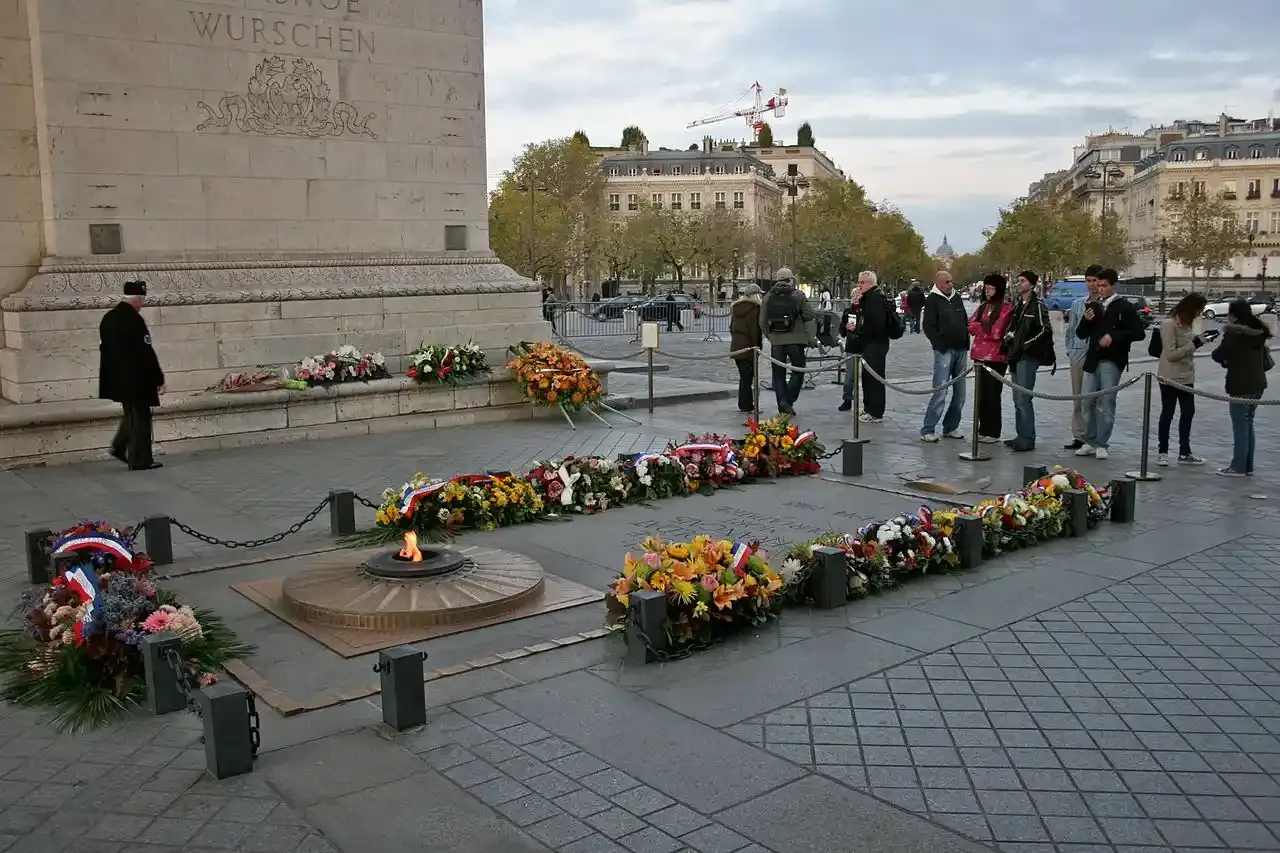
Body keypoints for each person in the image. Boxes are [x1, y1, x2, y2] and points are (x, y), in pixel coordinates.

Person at [1074, 268, 1145, 460]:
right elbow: (1081, 333)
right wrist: (1086, 321)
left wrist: (1113, 336)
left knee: (1106, 401)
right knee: (1087, 400)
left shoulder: (1124, 307)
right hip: (1092, 359)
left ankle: (1101, 443)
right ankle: (1089, 440)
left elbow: (1139, 333)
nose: (1100, 289)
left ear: (1114, 285)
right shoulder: (1094, 305)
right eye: (1098, 285)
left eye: (1104, 285)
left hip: (1112, 359)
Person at [99, 280, 165, 470]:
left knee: (131, 414)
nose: (142, 305)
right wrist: (159, 378)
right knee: (141, 418)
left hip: (118, 378)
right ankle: (140, 460)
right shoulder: (134, 320)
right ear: (137, 300)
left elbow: (105, 349)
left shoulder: (109, 318)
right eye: (142, 301)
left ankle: (120, 446)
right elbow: (146, 351)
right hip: (137, 378)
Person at [1211, 299, 1271, 476]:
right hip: (1257, 383)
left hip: (1241, 384)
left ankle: (1238, 466)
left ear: (1234, 315)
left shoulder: (1234, 333)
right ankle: (1247, 466)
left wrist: (1226, 360)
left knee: (1240, 425)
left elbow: (1218, 354)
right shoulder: (1258, 332)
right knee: (1248, 423)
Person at [1155, 293, 1210, 466]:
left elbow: (1187, 348)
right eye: (1198, 310)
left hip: (1186, 376)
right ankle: (1163, 451)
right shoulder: (1169, 324)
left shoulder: (1188, 324)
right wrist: (1194, 344)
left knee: (1188, 412)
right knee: (1168, 413)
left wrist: (1200, 340)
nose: (1199, 314)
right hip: (1170, 376)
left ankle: (1185, 452)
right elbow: (1171, 354)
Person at [1003, 270, 1054, 452]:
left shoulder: (1037, 305)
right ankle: (1021, 435)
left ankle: (1027, 438)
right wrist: (1009, 338)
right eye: (1019, 281)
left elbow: (1045, 329)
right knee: (1017, 398)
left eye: (1023, 281)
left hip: (1027, 355)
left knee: (1024, 398)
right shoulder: (1018, 305)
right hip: (1015, 354)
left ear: (1032, 284)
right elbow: (1014, 326)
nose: (1019, 284)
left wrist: (1026, 345)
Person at [920, 269, 970, 442]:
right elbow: (928, 326)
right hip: (944, 350)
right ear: (939, 283)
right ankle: (928, 429)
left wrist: (966, 341)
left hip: (960, 349)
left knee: (960, 394)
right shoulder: (932, 300)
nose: (951, 284)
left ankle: (951, 427)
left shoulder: (956, 297)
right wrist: (939, 345)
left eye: (951, 281)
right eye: (947, 282)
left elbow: (964, 319)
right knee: (940, 391)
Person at [838, 270, 894, 422]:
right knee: (867, 377)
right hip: (868, 343)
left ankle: (875, 412)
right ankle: (869, 408)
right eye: (859, 282)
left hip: (875, 343)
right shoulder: (868, 298)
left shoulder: (875, 299)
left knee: (874, 378)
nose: (859, 285)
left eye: (862, 282)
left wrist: (861, 329)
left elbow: (875, 323)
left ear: (870, 283)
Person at [759, 267, 816, 415]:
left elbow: (762, 321)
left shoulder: (768, 297)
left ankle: (782, 404)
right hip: (796, 339)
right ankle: (788, 400)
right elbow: (809, 314)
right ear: (791, 279)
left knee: (778, 373)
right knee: (798, 370)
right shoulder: (798, 295)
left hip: (776, 340)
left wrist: (770, 336)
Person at [967, 274, 1013, 443]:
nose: (987, 291)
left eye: (991, 289)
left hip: (996, 357)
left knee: (992, 394)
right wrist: (982, 328)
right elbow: (970, 325)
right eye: (986, 288)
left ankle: (993, 431)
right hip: (979, 356)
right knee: (981, 395)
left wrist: (981, 329)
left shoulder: (1007, 309)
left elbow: (997, 331)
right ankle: (983, 428)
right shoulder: (982, 307)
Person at [1062, 266, 1101, 449]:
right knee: (1078, 396)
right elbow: (1071, 330)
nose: (1091, 284)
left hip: (1098, 354)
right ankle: (1079, 435)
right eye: (1088, 280)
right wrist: (1071, 350)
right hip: (1078, 353)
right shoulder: (1078, 304)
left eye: (1095, 281)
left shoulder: (1106, 303)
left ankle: (1095, 435)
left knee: (1095, 398)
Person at [729, 284, 763, 414]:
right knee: (747, 378)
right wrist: (757, 348)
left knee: (744, 377)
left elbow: (731, 327)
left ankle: (744, 403)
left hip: (736, 346)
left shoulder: (735, 308)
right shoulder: (755, 309)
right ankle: (746, 405)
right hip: (749, 347)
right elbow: (755, 331)